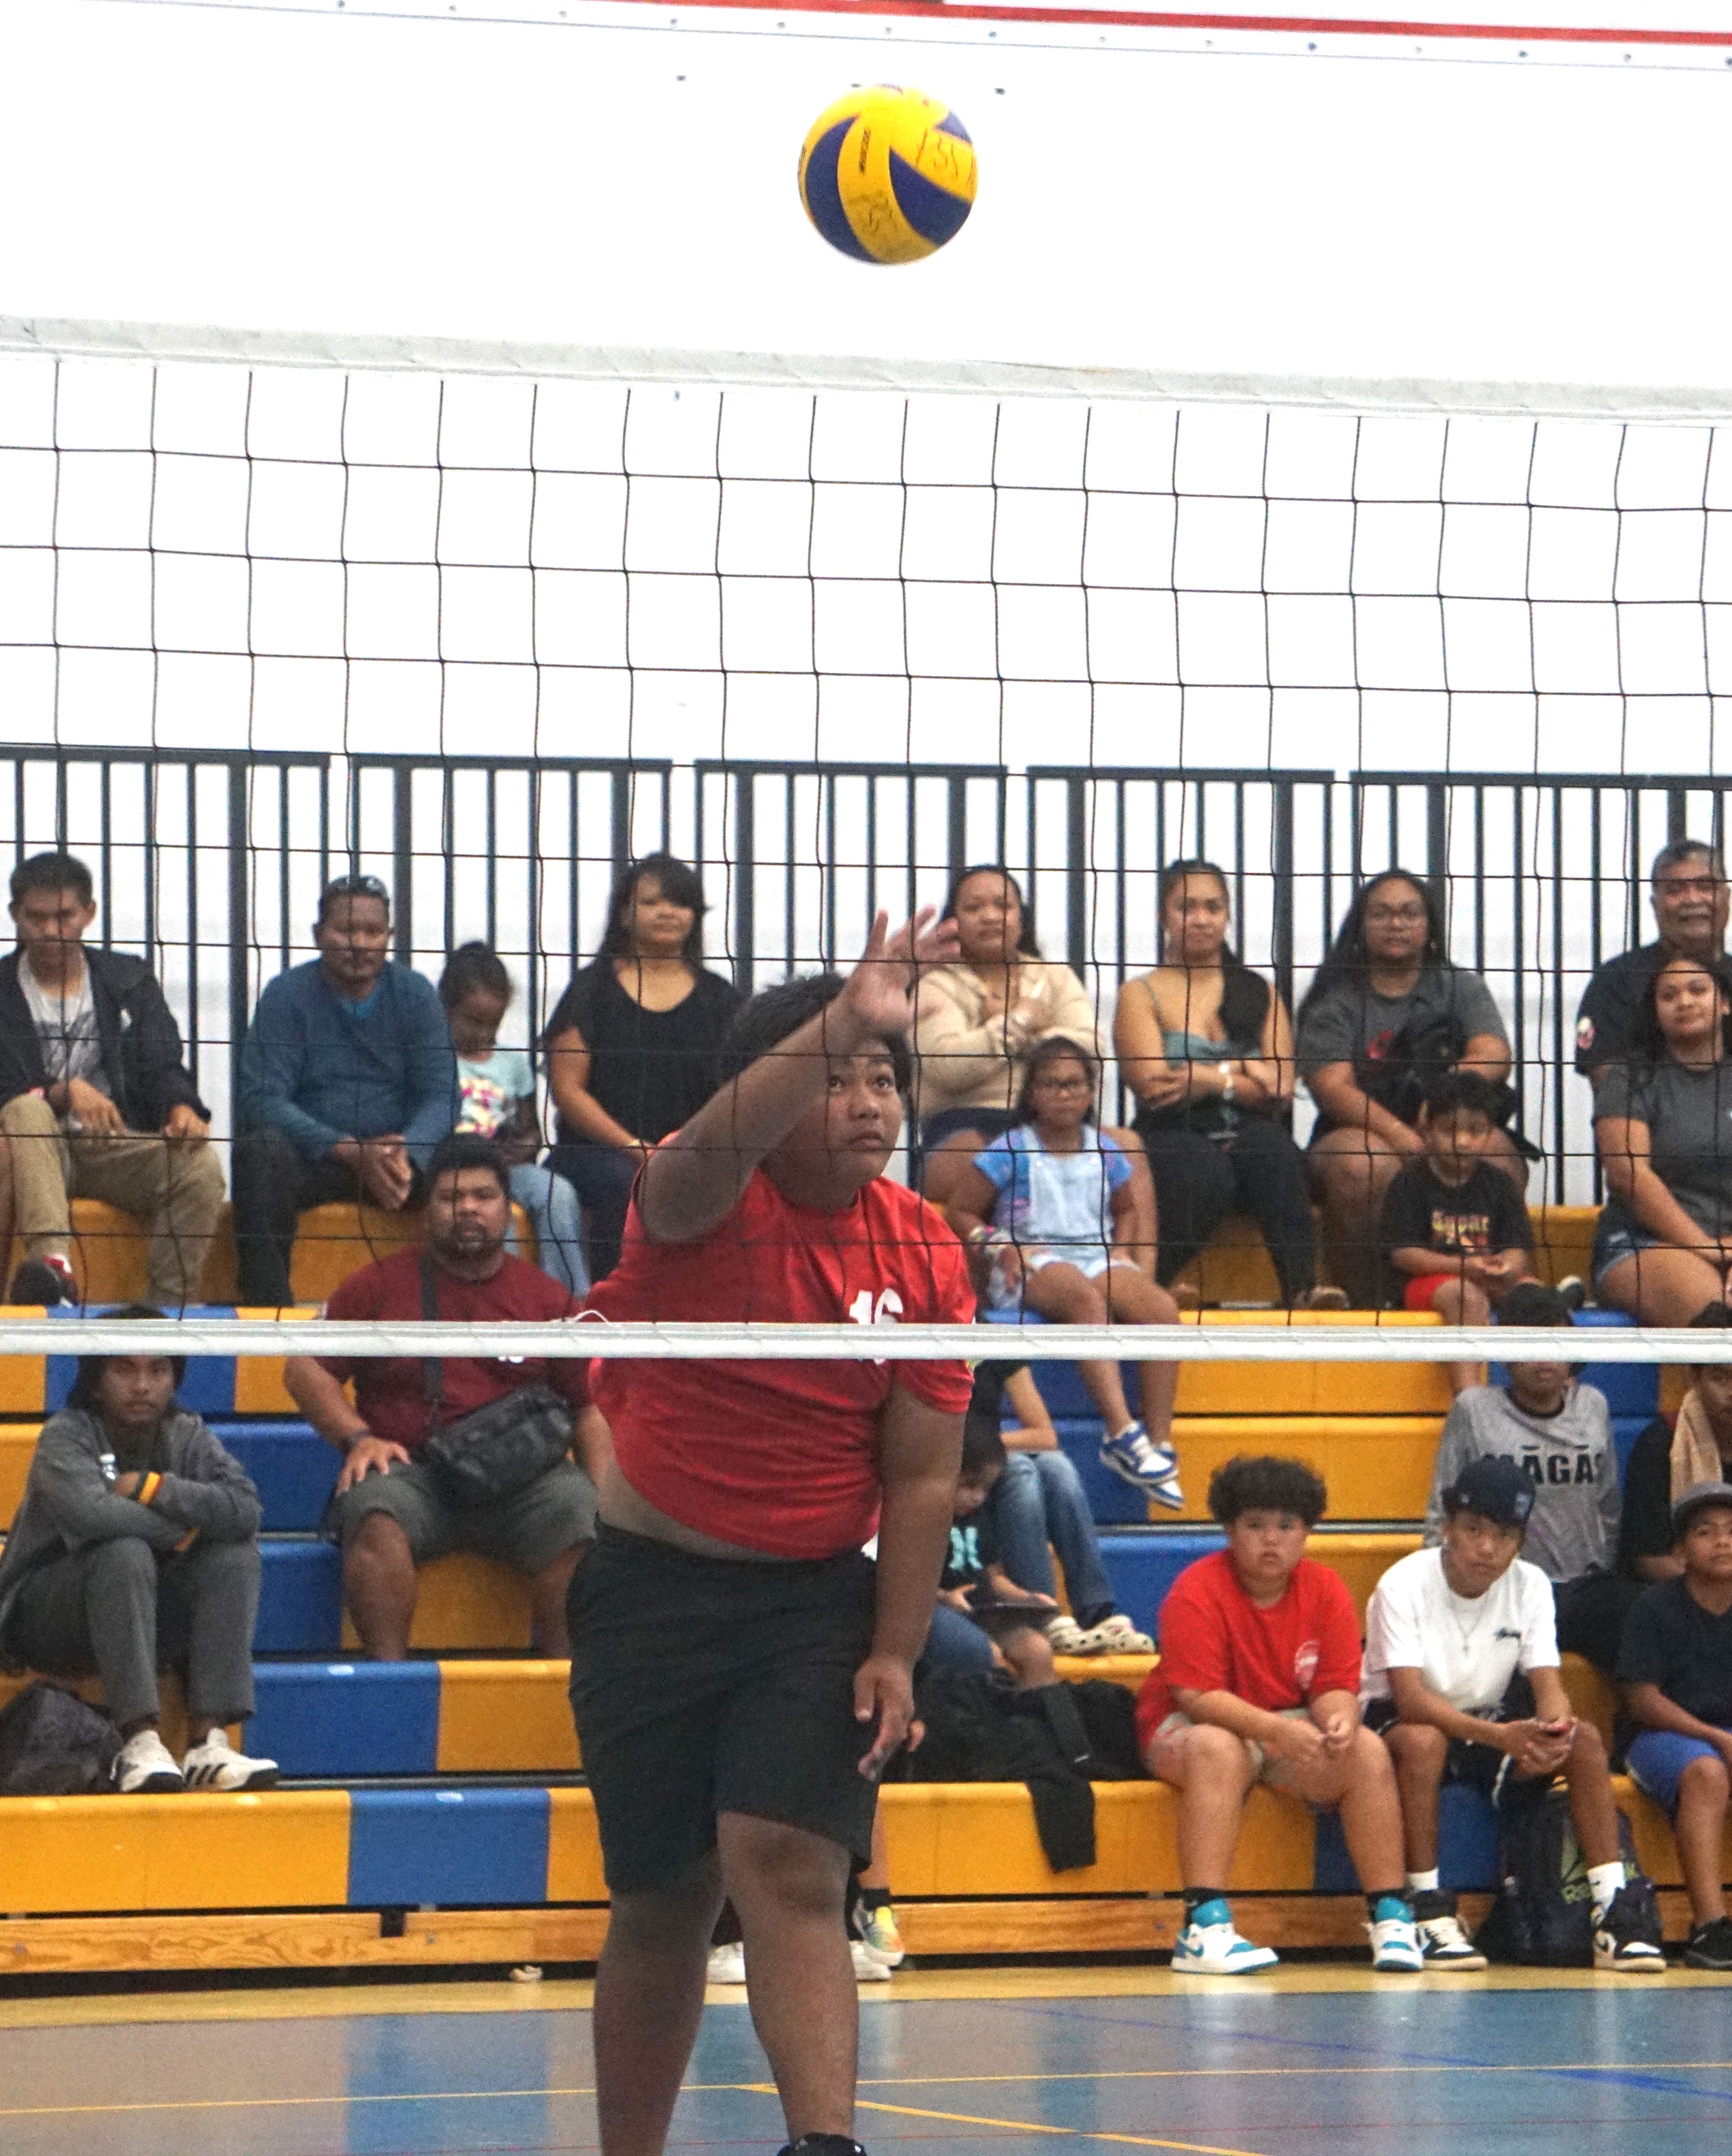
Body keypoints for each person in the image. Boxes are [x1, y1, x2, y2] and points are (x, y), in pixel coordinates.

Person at [569, 910, 975, 2156]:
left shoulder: (924, 1250)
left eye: (883, 1076)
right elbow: (711, 1152)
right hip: (647, 1590)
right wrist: (847, 1013)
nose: (866, 1098)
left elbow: (917, 1480)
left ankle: (825, 2143)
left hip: (808, 1601)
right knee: (661, 1896)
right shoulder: (693, 1199)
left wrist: (897, 1649)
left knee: (789, 1861)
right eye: (838, 1073)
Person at [283, 1135, 598, 1660]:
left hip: (523, 1481)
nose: (469, 1207)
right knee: (373, 1508)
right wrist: (358, 1438)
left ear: (508, 1208)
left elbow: (589, 1405)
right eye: (452, 1197)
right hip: (417, 1472)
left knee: (577, 1512)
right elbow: (304, 1367)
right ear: (429, 1210)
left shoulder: (546, 1297)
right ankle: (390, 1684)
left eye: (483, 1195)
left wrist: (604, 1496)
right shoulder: (379, 1285)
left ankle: (566, 1683)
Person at [1365, 1456, 1663, 1973]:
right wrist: (1499, 1736)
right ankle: (1426, 1908)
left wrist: (1554, 1729)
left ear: (1520, 1541)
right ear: (1446, 1528)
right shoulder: (1402, 1583)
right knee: (1422, 1741)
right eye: (1472, 1530)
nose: (1485, 1547)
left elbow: (1548, 1683)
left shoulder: (1530, 1585)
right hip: (1401, 1721)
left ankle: (1614, 1913)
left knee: (1585, 1740)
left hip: (1487, 1724)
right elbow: (1409, 1699)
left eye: (1502, 1535)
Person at [1135, 1455, 1423, 1975]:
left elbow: (1335, 1684)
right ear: (1228, 1529)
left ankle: (1391, 1916)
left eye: (1286, 1526)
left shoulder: (1326, 1589)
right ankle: (1202, 1926)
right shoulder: (1195, 1589)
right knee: (1217, 1747)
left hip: (1279, 1725)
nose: (1271, 1540)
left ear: (1307, 1531)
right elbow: (1196, 1696)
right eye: (1254, 1526)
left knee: (1365, 1748)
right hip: (1189, 1724)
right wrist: (1277, 1730)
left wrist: (1338, 1720)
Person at [0, 1307, 277, 1794]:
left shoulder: (184, 1434)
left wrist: (155, 1487)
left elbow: (245, 1509)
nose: (143, 1385)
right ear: (97, 1379)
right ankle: (140, 1742)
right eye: (125, 1369)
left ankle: (207, 1744)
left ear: (174, 1379)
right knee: (121, 1550)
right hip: (45, 1619)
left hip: (134, 1610)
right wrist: (181, 1533)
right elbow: (92, 1516)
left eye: (158, 1369)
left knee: (234, 1556)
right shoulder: (67, 1434)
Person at [942, 1036, 1183, 1509]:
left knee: (1162, 1308)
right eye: (1051, 1084)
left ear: (1091, 1092)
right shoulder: (1010, 1149)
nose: (1064, 1094)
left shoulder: (1106, 1150)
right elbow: (960, 1211)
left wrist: (1123, 1254)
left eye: (1074, 1084)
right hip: (1033, 1259)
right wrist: (996, 1242)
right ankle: (1120, 1432)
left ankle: (1159, 1440)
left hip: (1096, 1254)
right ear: (1031, 1093)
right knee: (1082, 1300)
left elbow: (1127, 1206)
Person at [0, 850, 224, 1310]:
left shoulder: (127, 980)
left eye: (63, 916)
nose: (50, 931)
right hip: (32, 1149)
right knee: (26, 1109)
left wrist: (182, 1108)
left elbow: (163, 1061)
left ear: (88, 914)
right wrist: (63, 1093)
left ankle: (165, 1315)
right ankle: (53, 1271)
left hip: (112, 1144)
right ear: (15, 916)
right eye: (36, 918)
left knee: (200, 1166)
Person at [1114, 858, 1342, 1310]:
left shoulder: (1258, 991)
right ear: (1163, 916)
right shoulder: (1140, 993)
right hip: (1171, 1129)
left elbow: (1279, 1085)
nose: (1200, 918)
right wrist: (1244, 1073)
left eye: (1212, 907)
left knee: (1275, 1154)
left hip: (1247, 1125)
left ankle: (1303, 1288)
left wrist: (1211, 1078)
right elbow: (1154, 1086)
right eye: (1186, 907)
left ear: (1227, 915)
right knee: (1204, 1173)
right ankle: (1150, 1287)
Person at [1296, 869, 1521, 1308]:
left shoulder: (1459, 986)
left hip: (1442, 1121)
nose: (1395, 923)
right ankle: (1364, 1305)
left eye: (1408, 913)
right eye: (1381, 914)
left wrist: (1439, 1103)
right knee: (1361, 1166)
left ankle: (1501, 1298)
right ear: (1360, 925)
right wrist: (1402, 1136)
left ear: (1429, 925)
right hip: (1357, 1131)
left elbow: (1495, 1054)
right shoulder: (1336, 998)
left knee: (1498, 1154)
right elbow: (1333, 1088)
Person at [232, 873, 457, 1307]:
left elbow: (443, 1095)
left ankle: (473, 1305)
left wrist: (405, 1150)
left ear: (389, 937)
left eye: (372, 932)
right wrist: (350, 1150)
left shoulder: (415, 994)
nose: (360, 943)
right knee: (259, 1152)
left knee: (471, 1161)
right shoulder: (287, 995)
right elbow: (261, 1099)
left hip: (398, 1164)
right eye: (346, 930)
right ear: (319, 935)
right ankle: (268, 1310)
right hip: (318, 1160)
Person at [542, 853, 741, 1284]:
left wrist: (684, 1152)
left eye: (680, 903)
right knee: (624, 1186)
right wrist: (638, 1150)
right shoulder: (591, 990)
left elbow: (741, 1089)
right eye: (652, 902)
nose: (667, 912)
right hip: (598, 1156)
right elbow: (568, 1091)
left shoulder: (721, 1000)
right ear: (624, 914)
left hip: (692, 1155)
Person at [1423, 1281, 1634, 1674]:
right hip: (1503, 1588)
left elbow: (1607, 1504)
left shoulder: (1592, 1406)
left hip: (1584, 1588)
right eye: (1531, 1345)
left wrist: (1600, 1567)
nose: (1545, 1361)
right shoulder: (1474, 1410)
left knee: (1644, 1631)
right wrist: (1438, 1588)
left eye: (1555, 1346)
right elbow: (1443, 1504)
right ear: (1506, 1353)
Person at [912, 865, 1133, 1213]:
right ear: (952, 921)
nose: (989, 916)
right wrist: (1022, 1020)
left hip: (1057, 1119)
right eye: (973, 908)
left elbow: (1091, 1048)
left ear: (1021, 917)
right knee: (970, 1154)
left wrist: (998, 1033)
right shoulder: (934, 984)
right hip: (967, 1123)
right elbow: (948, 1066)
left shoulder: (1053, 977)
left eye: (1003, 906)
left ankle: (1133, 1266)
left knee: (1127, 1145)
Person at [1618, 1478, 1732, 1971]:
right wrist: (1713, 1737)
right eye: (1706, 1532)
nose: (1723, 1541)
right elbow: (1642, 1700)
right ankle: (1709, 1927)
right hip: (1662, 1737)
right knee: (1707, 1772)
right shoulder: (1655, 1606)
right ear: (1680, 1551)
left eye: (1731, 1531)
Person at [966, 1359, 1153, 1655]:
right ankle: (1043, 1612)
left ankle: (1098, 1613)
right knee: (1018, 1469)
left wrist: (985, 1445)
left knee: (1057, 1467)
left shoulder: (993, 1340)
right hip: (947, 1462)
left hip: (979, 1456)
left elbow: (1045, 1436)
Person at [1593, 951, 1732, 1326]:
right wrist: (1708, 1248)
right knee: (1716, 1316)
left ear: (1724, 1002)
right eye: (1668, 995)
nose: (1683, 1001)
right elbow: (1628, 1177)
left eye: (1697, 990)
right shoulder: (1630, 1077)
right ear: (1654, 1010)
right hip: (1642, 1242)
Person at [1380, 1072, 1540, 1394]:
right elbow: (1403, 1254)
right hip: (1427, 1283)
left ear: (1491, 1133)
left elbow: (1517, 1250)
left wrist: (1505, 1267)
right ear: (1427, 1130)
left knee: (1538, 1298)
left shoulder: (1499, 1184)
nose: (1463, 1141)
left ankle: (1549, 1404)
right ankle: (1469, 1403)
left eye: (1475, 1132)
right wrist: (1463, 1268)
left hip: (1484, 1277)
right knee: (1465, 1296)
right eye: (1449, 1130)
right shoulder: (1410, 1183)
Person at [441, 941, 587, 1294]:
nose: (484, 1033)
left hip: (507, 1167)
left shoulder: (512, 1064)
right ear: (446, 1009)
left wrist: (522, 1146)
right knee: (493, 1214)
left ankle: (568, 1298)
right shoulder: (435, 1060)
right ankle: (505, 1300)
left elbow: (530, 1130)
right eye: (473, 1022)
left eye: (493, 1023)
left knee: (558, 1192)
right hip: (454, 1167)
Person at [1576, 838, 1732, 1087]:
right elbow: (1610, 1087)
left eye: (1706, 886)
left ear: (1727, 897)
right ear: (1654, 904)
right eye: (1674, 890)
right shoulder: (1617, 981)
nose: (1692, 899)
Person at [923, 1419, 1062, 1690]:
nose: (977, 1498)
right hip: (941, 1612)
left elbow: (993, 1576)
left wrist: (1029, 1599)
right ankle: (995, 1727)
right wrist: (944, 1598)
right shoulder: (922, 1521)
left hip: (987, 1613)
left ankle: (1037, 1728)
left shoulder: (979, 1519)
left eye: (985, 1489)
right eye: (968, 1486)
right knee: (989, 1656)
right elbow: (906, 1585)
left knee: (1038, 1651)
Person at [1621, 1307, 1732, 1583]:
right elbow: (1649, 1558)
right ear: (1694, 1378)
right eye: (1720, 1378)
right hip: (1685, 1598)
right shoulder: (1660, 1445)